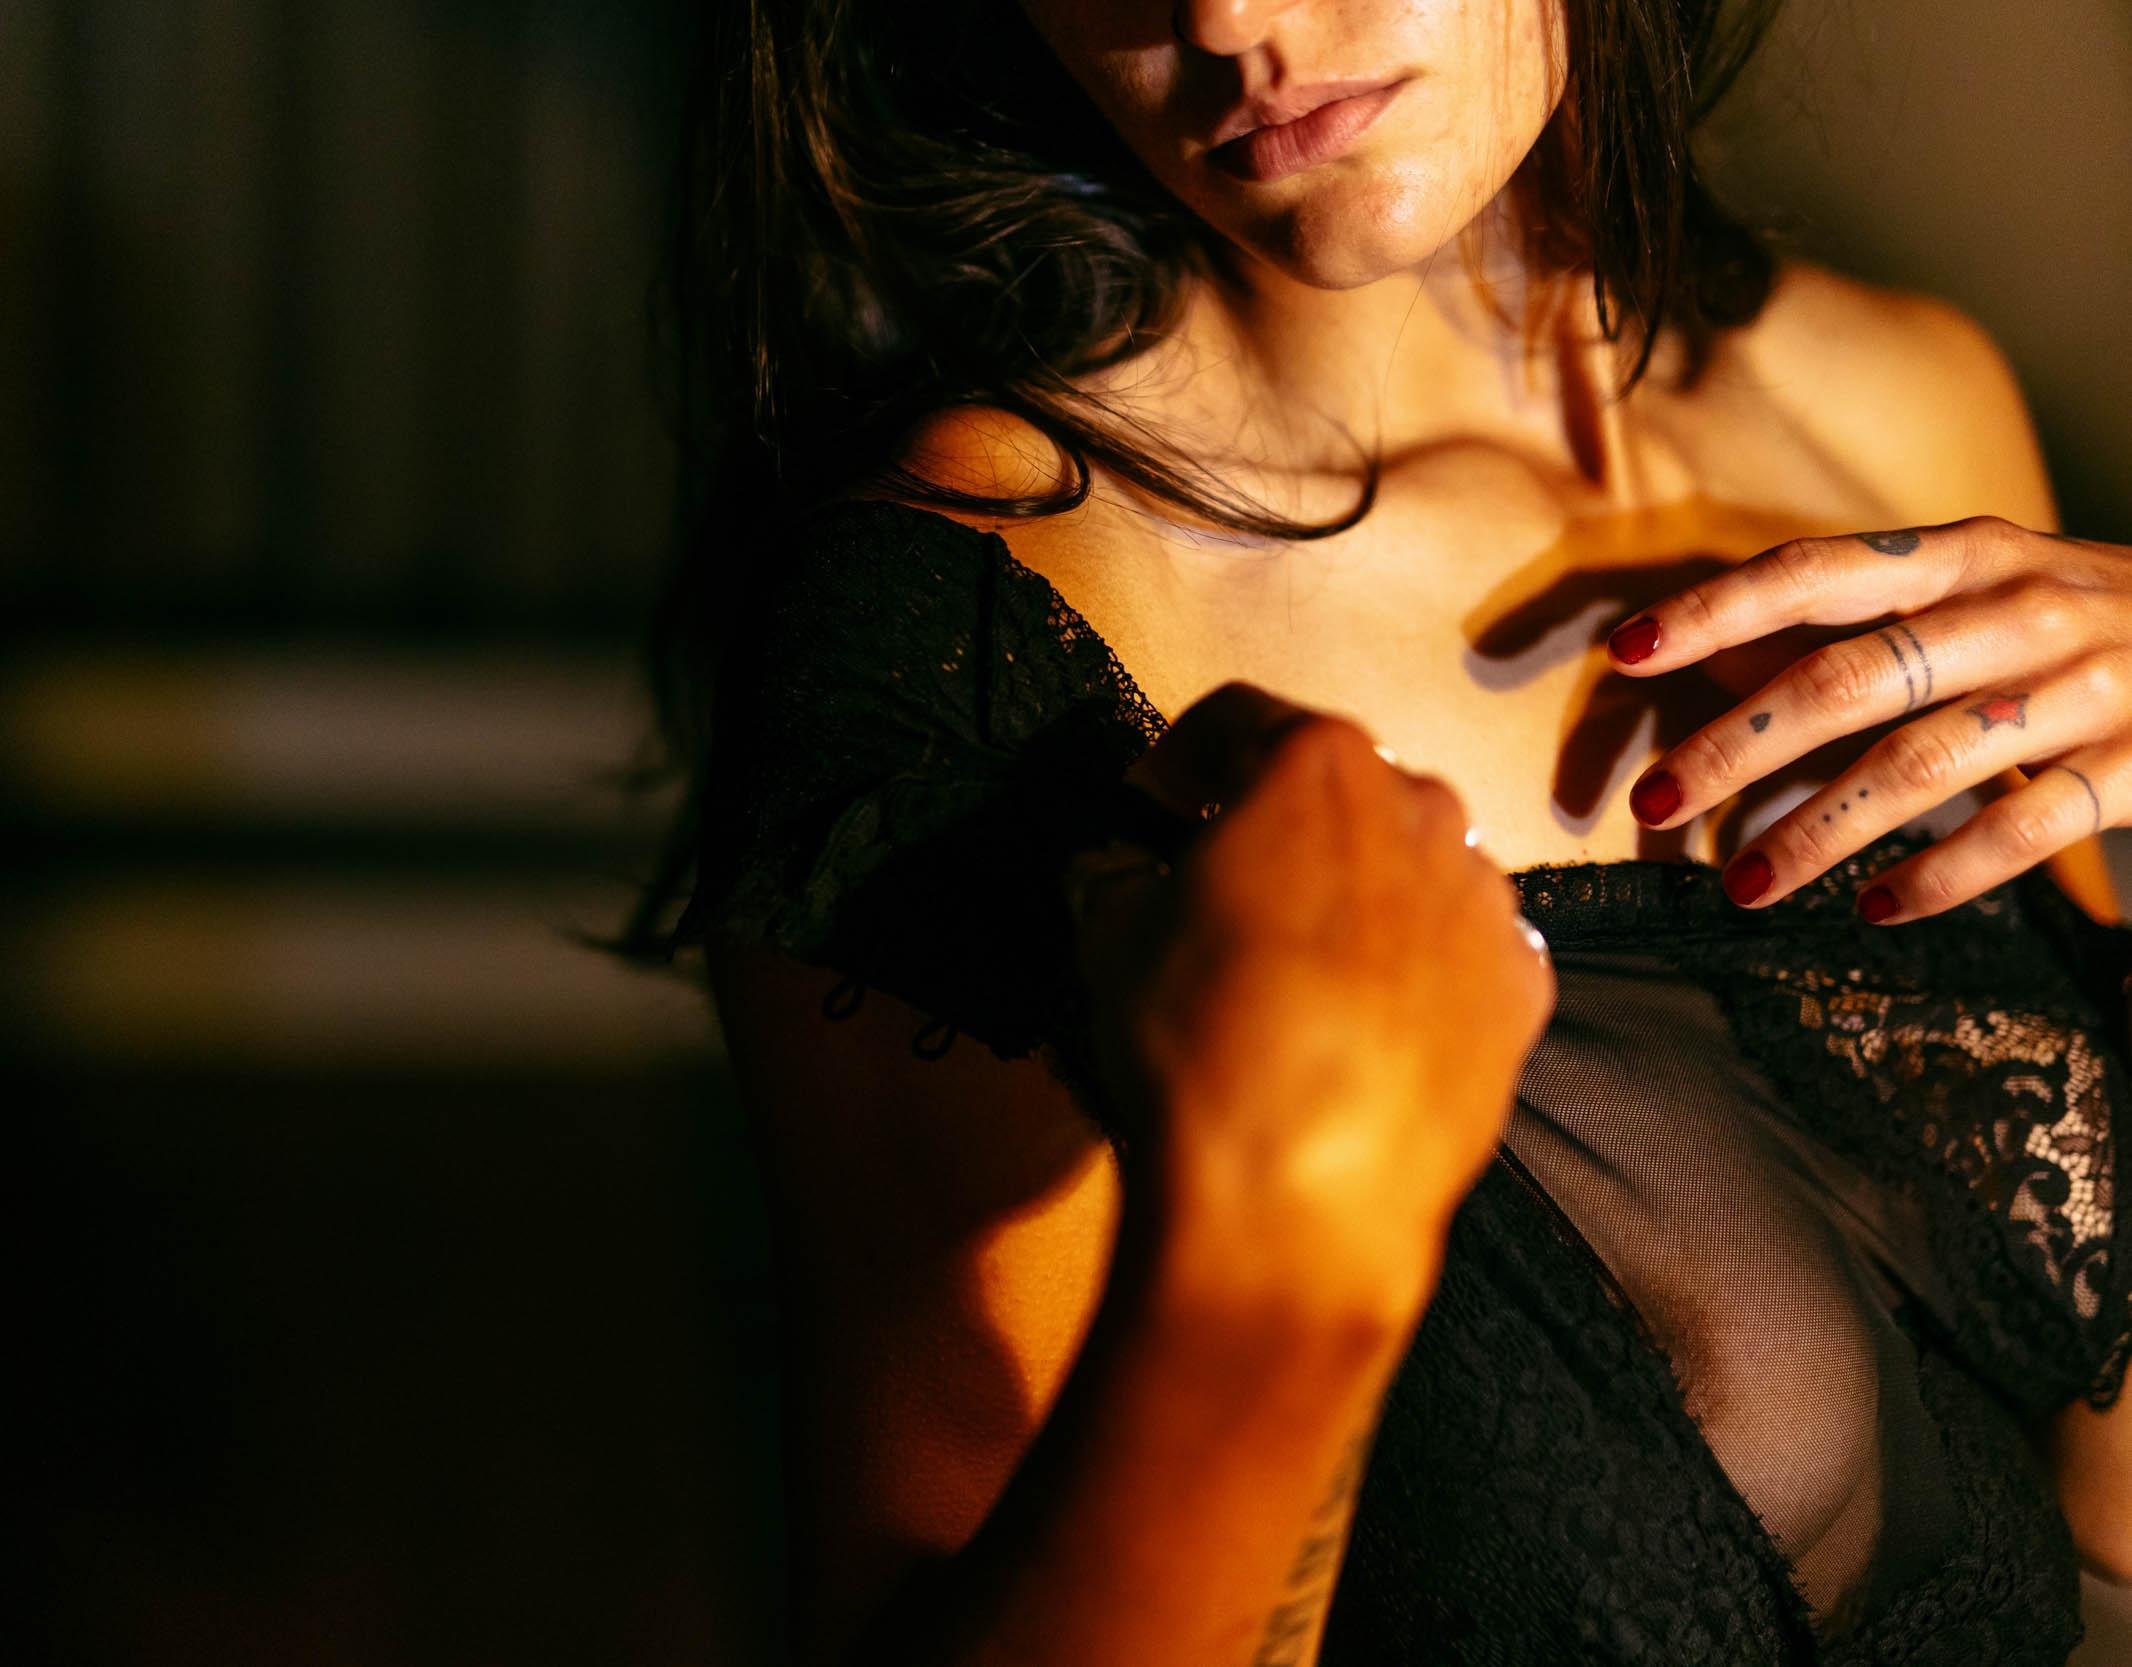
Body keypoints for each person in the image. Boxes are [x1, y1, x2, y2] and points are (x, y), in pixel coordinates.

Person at [616, 1, 2132, 1661]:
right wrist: (1273, 1259)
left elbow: (2105, 1479)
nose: (1228, 16)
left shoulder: (1904, 412)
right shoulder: (987, 638)